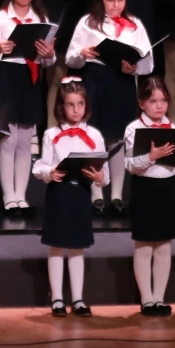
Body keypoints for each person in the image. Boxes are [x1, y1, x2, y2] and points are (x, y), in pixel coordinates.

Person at [65, 0, 155, 213]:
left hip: (121, 82)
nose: (116, 5)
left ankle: (116, 194)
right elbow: (71, 59)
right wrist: (82, 53)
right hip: (95, 80)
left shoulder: (134, 24)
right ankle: (96, 192)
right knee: (95, 136)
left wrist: (134, 67)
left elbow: (148, 62)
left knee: (118, 138)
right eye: (110, 0)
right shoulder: (87, 22)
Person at [0, 0, 58, 212]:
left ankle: (21, 196)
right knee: (8, 140)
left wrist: (49, 54)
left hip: (30, 78)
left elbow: (48, 61)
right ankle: (8, 197)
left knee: (25, 141)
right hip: (8, 76)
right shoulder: (1, 18)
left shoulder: (41, 18)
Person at [33, 79, 109, 316]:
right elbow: (39, 167)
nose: (76, 110)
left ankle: (78, 299)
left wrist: (99, 177)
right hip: (59, 193)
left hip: (81, 194)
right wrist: (50, 172)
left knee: (77, 247)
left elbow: (104, 176)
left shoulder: (94, 135)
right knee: (57, 246)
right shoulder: (51, 134)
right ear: (61, 107)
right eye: (70, 105)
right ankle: (57, 298)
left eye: (80, 104)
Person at [122, 76, 175, 314]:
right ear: (142, 103)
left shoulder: (173, 128)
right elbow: (130, 165)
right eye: (153, 101)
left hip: (168, 188)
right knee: (144, 245)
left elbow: (174, 166)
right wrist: (151, 157)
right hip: (145, 189)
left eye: (163, 100)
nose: (159, 105)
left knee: (164, 245)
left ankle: (159, 298)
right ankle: (147, 299)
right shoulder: (134, 129)